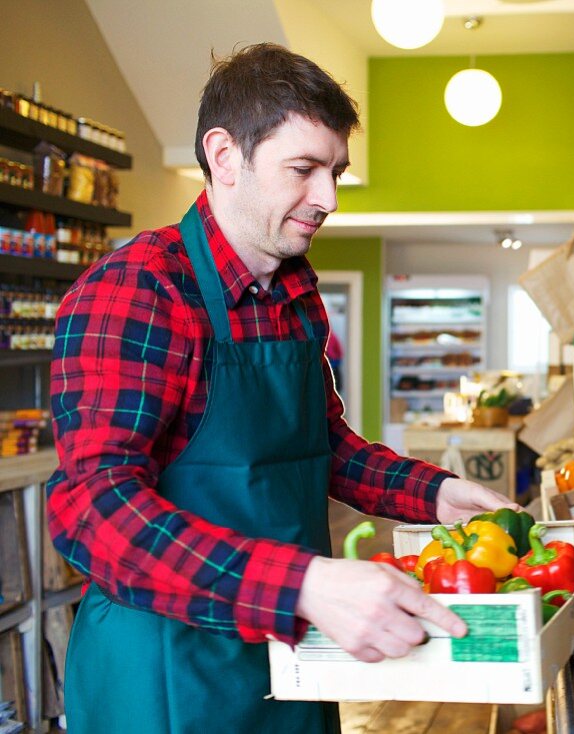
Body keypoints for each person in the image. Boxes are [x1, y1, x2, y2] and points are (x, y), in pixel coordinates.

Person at [46, 43, 520, 734]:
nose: (327, 198)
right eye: (304, 169)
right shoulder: (140, 289)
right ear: (225, 155)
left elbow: (325, 447)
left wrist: (436, 493)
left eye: (335, 172)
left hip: (294, 654)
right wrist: (302, 583)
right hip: (169, 674)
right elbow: (93, 508)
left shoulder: (296, 297)